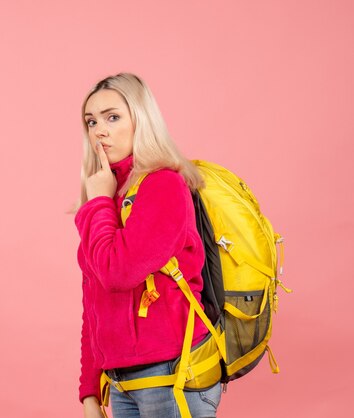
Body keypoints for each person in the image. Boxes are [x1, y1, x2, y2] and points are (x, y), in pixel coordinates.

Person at [71, 72, 222, 418]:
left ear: (142, 119)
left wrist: (97, 204)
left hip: (171, 375)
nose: (99, 131)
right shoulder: (108, 195)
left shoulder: (163, 186)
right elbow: (95, 299)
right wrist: (89, 390)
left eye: (112, 117)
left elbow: (117, 273)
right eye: (91, 121)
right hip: (123, 384)